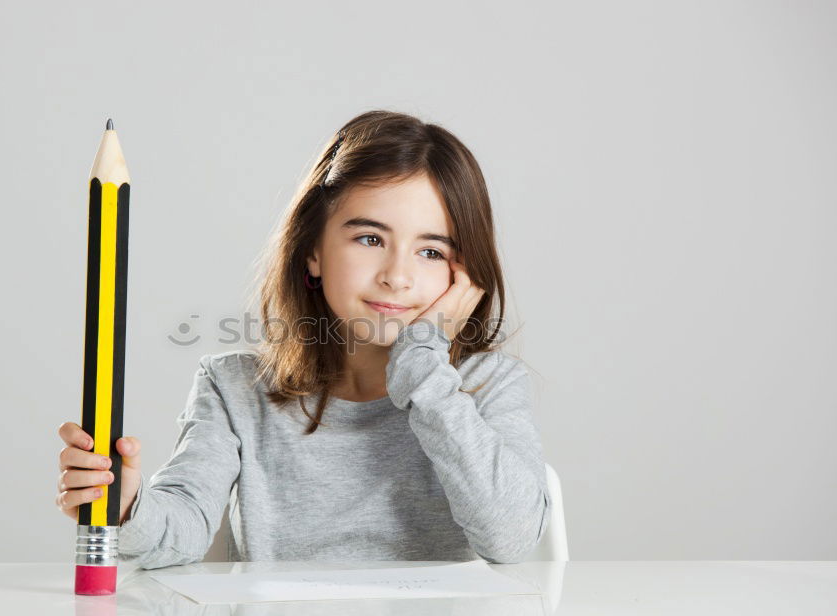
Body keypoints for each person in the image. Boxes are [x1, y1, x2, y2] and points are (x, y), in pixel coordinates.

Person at [55, 109, 551, 568]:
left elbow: (510, 539)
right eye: (370, 239)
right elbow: (181, 528)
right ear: (313, 251)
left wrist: (423, 362)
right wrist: (125, 509)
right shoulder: (234, 389)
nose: (397, 277)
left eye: (432, 252)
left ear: (464, 274)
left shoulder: (484, 387)